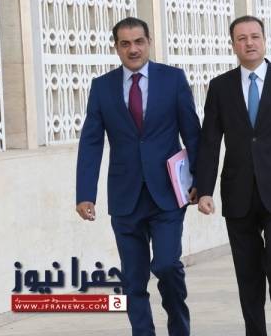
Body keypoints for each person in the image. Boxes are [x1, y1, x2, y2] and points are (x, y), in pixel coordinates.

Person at [196, 15, 271, 336]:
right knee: (248, 273)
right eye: (241, 38)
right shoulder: (220, 87)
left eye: (254, 36)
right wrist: (204, 189)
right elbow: (210, 141)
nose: (249, 43)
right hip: (237, 193)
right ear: (233, 45)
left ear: (264, 40)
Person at [76, 17, 200, 336]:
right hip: (125, 196)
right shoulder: (101, 87)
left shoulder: (172, 79)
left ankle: (179, 328)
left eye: (139, 42)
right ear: (116, 47)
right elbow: (91, 142)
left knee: (166, 265)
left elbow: (192, 132)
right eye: (125, 43)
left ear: (149, 42)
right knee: (133, 279)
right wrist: (85, 193)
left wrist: (199, 180)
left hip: (167, 194)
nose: (133, 49)